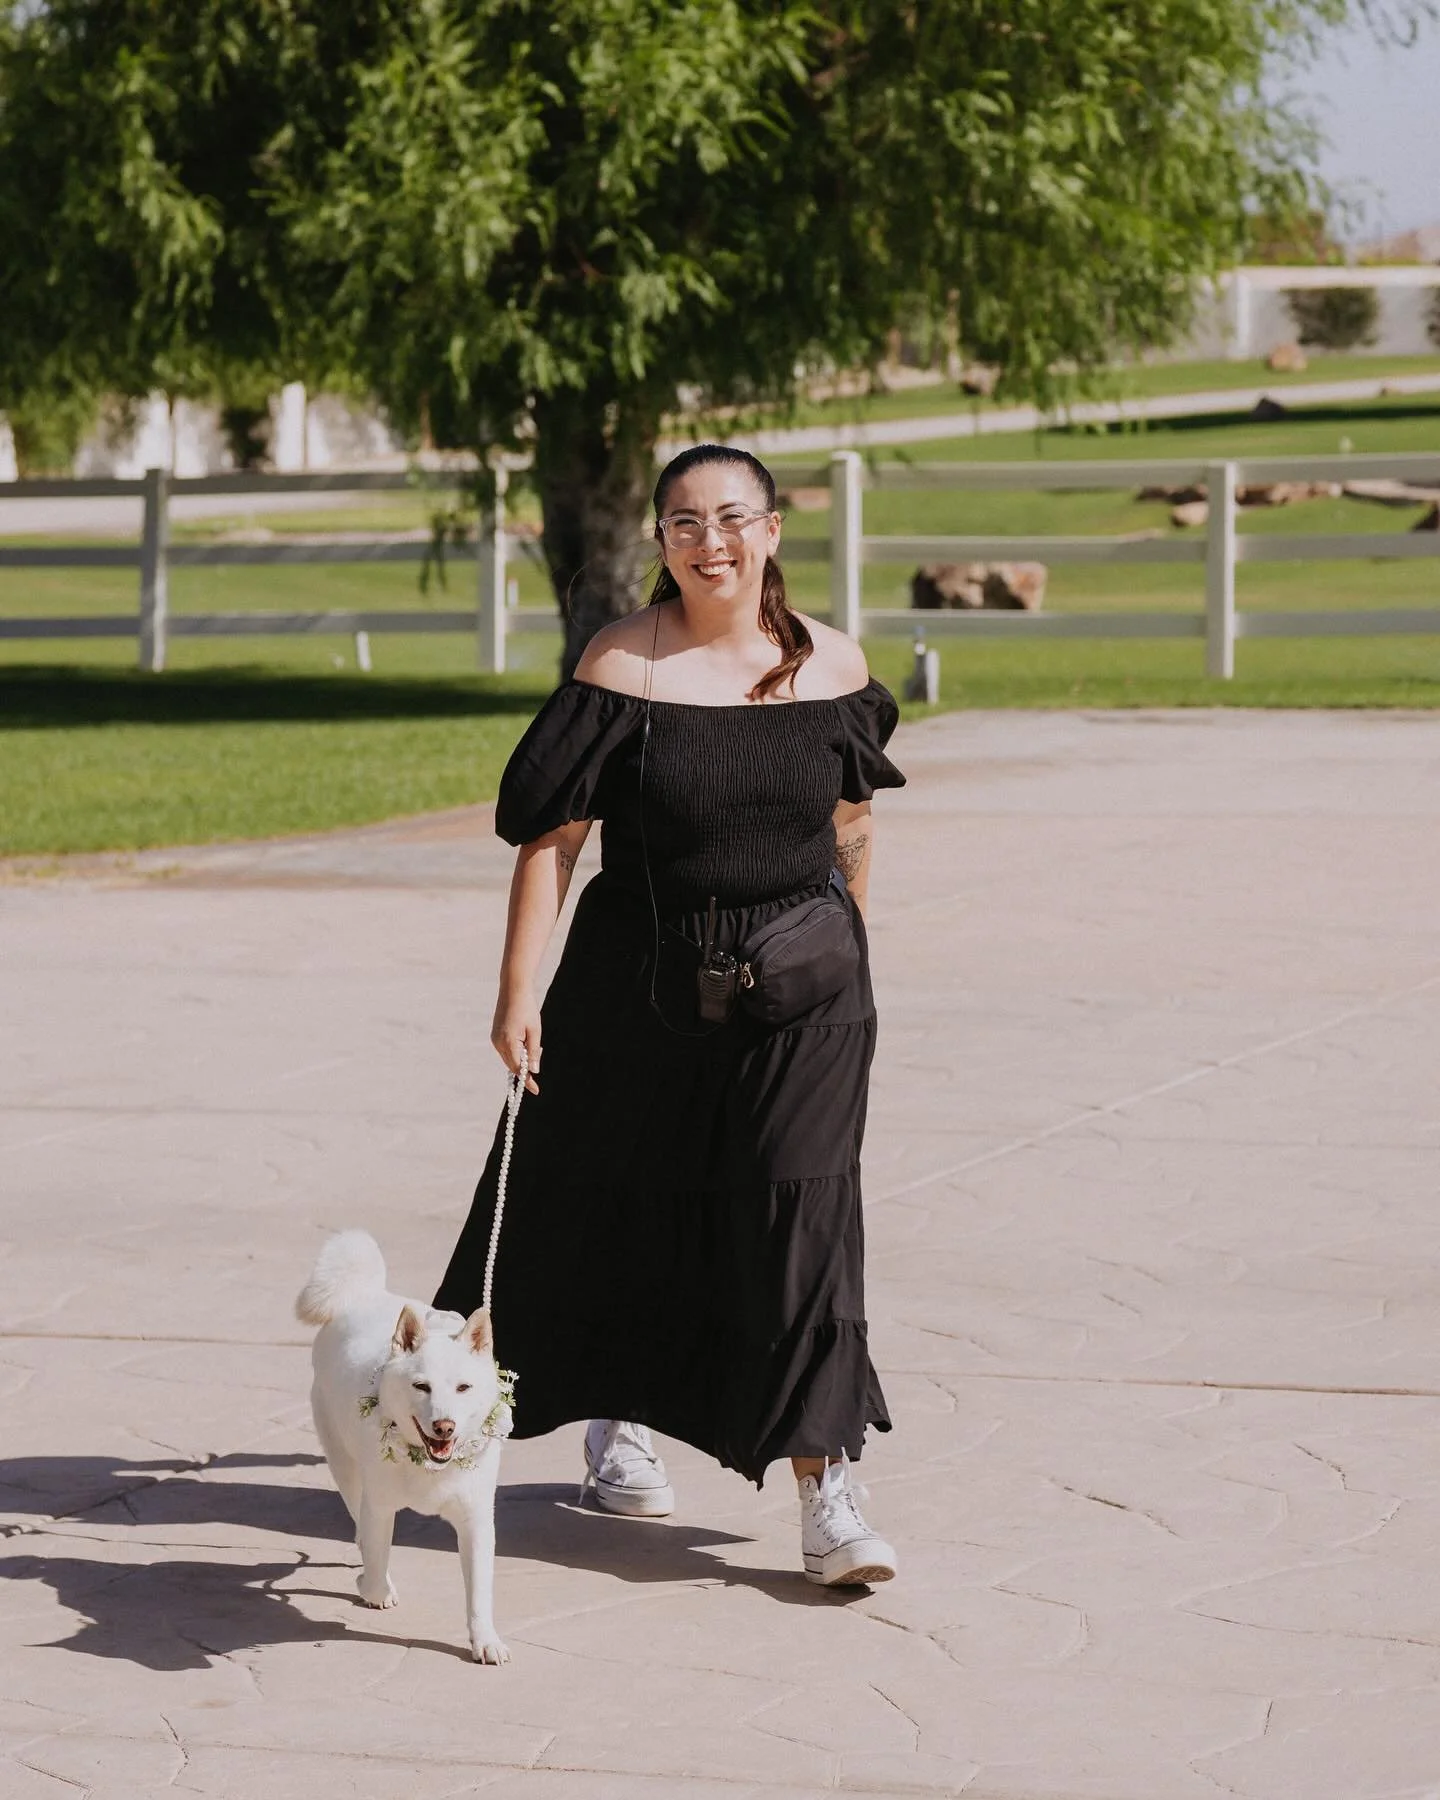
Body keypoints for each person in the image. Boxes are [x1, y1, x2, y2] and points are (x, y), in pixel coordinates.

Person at [434, 442, 905, 1585]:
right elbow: (553, 844)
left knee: (800, 1221)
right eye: (685, 523)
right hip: (639, 982)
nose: (712, 541)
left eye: (733, 517)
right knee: (614, 1195)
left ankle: (824, 1487)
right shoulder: (621, 667)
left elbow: (852, 821)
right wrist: (516, 993)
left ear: (775, 529)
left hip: (805, 996)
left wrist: (835, 945)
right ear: (661, 542)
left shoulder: (831, 668)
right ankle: (618, 1417)